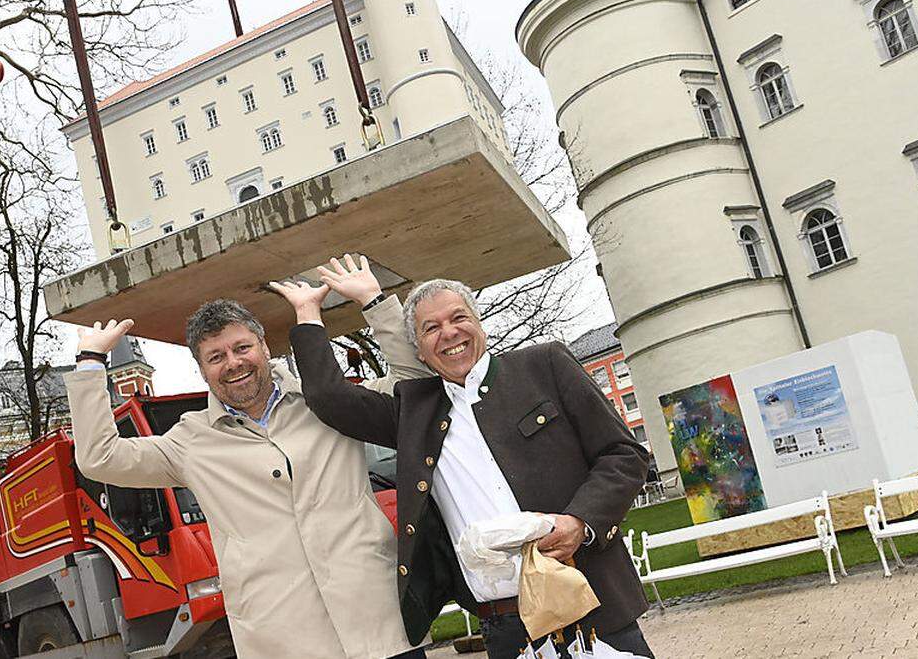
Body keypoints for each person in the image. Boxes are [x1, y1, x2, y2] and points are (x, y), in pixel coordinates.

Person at [66, 255, 429, 659]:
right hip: (283, 639)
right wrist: (89, 365)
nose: (233, 363)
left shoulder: (329, 402)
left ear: (264, 346)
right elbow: (99, 457)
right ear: (202, 370)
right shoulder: (192, 442)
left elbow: (415, 392)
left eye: (242, 347)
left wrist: (376, 304)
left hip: (380, 623)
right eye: (216, 356)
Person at [273, 275, 654, 659]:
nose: (450, 333)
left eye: (459, 318)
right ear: (419, 350)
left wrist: (579, 522)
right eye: (431, 328)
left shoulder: (544, 365)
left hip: (590, 600)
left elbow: (624, 454)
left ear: (478, 321)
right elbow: (330, 399)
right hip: (506, 627)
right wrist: (308, 312)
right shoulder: (413, 412)